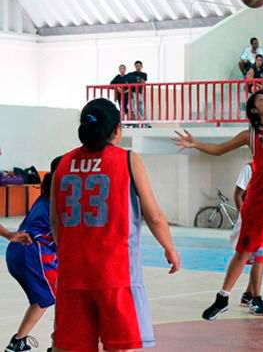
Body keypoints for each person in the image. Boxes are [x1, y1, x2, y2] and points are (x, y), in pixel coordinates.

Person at [174, 39, 263, 332]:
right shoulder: (249, 134)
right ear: (254, 109)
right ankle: (223, 297)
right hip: (259, 198)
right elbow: (219, 150)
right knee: (244, 251)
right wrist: (195, 144)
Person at [51, 98, 181, 350]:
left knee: (72, 346)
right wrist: (170, 248)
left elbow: (55, 221)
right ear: (117, 130)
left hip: (72, 274)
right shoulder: (127, 159)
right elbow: (153, 214)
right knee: (118, 345)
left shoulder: (62, 164)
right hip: (115, 273)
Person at [4, 169, 53, 352]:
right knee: (48, 298)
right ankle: (56, 343)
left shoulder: (41, 200)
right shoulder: (56, 205)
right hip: (33, 253)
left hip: (16, 250)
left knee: (45, 297)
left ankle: (19, 341)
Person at [228, 163, 263, 315]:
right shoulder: (249, 168)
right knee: (259, 255)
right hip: (250, 219)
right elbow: (238, 195)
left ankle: (248, 294)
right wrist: (246, 215)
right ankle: (255, 299)